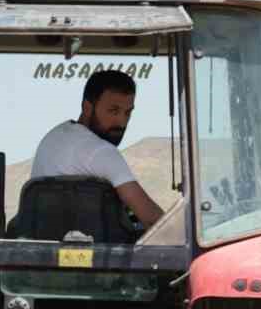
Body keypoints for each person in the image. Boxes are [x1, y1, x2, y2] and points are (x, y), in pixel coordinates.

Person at [30, 69, 165, 228]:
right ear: (87, 107)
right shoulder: (100, 151)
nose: (122, 122)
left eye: (127, 112)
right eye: (113, 111)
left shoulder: (54, 137)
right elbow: (153, 220)